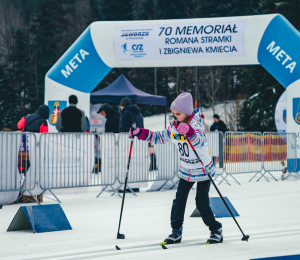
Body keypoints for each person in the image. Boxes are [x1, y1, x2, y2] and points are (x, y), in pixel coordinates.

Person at [129, 92, 223, 245]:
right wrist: (141, 133)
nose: (174, 117)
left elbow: (199, 140)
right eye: (173, 114)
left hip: (203, 170)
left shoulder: (196, 125)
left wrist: (190, 132)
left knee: (201, 203)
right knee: (179, 200)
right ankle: (176, 231)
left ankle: (216, 230)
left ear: (186, 113)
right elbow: (159, 137)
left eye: (178, 114)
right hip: (186, 170)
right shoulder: (174, 127)